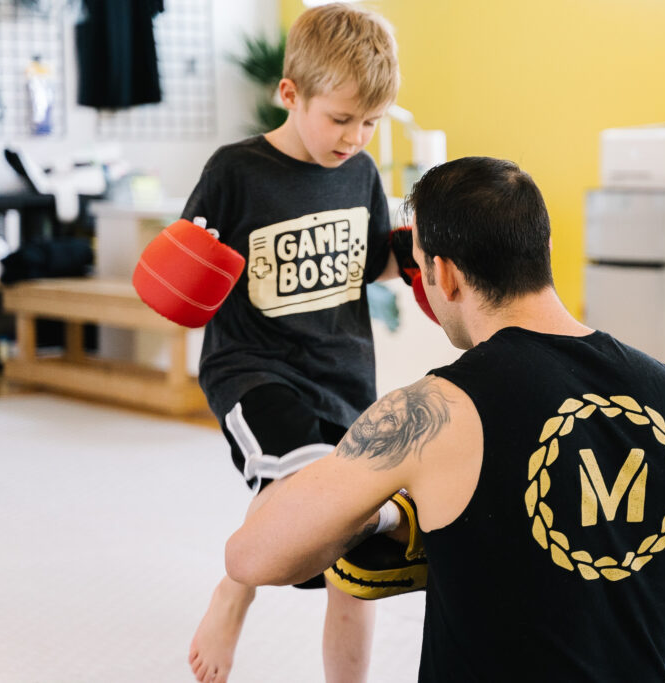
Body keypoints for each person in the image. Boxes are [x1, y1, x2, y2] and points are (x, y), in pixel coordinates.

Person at [225, 156, 665, 681]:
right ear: (544, 252)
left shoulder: (428, 412)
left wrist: (380, 515)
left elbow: (251, 558)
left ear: (443, 274)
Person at [182, 5, 409, 682]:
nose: (354, 136)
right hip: (254, 369)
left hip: (343, 375)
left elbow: (375, 264)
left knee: (357, 545)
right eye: (340, 119)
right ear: (290, 93)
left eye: (369, 122)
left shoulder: (361, 171)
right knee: (301, 481)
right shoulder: (236, 171)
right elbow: (186, 262)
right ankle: (235, 588)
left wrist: (430, 250)